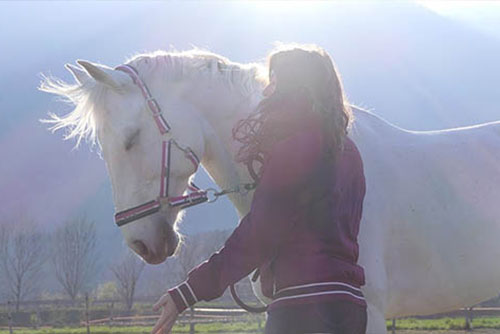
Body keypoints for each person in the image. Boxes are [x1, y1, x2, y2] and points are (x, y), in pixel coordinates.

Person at [152, 44, 367, 334]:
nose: (267, 93)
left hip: (302, 311)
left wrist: (187, 293)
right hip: (350, 308)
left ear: (295, 86)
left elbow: (259, 235)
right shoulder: (350, 153)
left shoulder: (293, 151)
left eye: (274, 82)